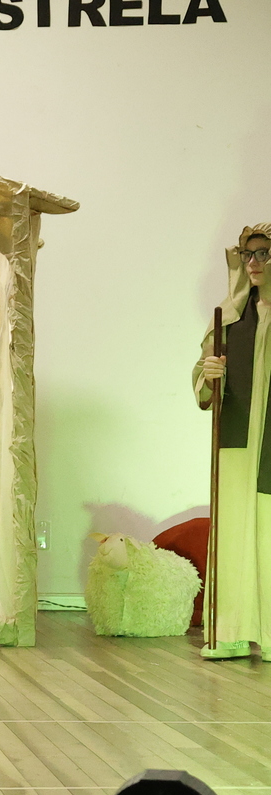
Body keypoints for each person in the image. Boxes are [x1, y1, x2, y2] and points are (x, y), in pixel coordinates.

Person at [194, 223, 271, 660]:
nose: (254, 263)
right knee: (234, 531)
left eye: (264, 253)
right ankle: (231, 631)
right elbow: (203, 378)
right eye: (248, 254)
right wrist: (209, 377)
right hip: (239, 441)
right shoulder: (231, 319)